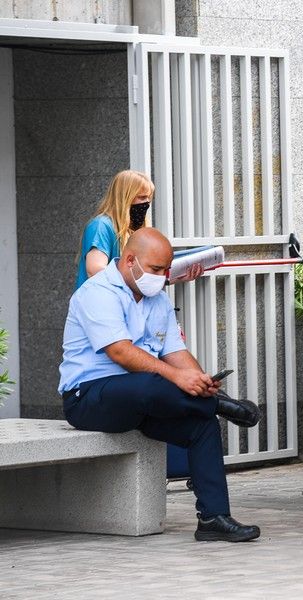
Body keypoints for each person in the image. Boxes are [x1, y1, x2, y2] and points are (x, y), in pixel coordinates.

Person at [59, 227, 262, 541]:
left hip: (144, 401)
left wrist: (201, 381)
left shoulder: (157, 299)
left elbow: (175, 353)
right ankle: (220, 405)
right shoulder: (97, 292)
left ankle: (213, 518)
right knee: (148, 383)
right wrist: (181, 380)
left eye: (166, 270)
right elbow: (121, 352)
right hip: (88, 397)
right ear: (130, 261)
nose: (162, 276)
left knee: (201, 422)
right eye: (155, 270)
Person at [75, 169, 200, 290]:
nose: (146, 203)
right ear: (125, 197)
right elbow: (95, 269)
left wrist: (180, 277)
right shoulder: (101, 225)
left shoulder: (132, 229)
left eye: (148, 199)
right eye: (141, 197)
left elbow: (141, 279)